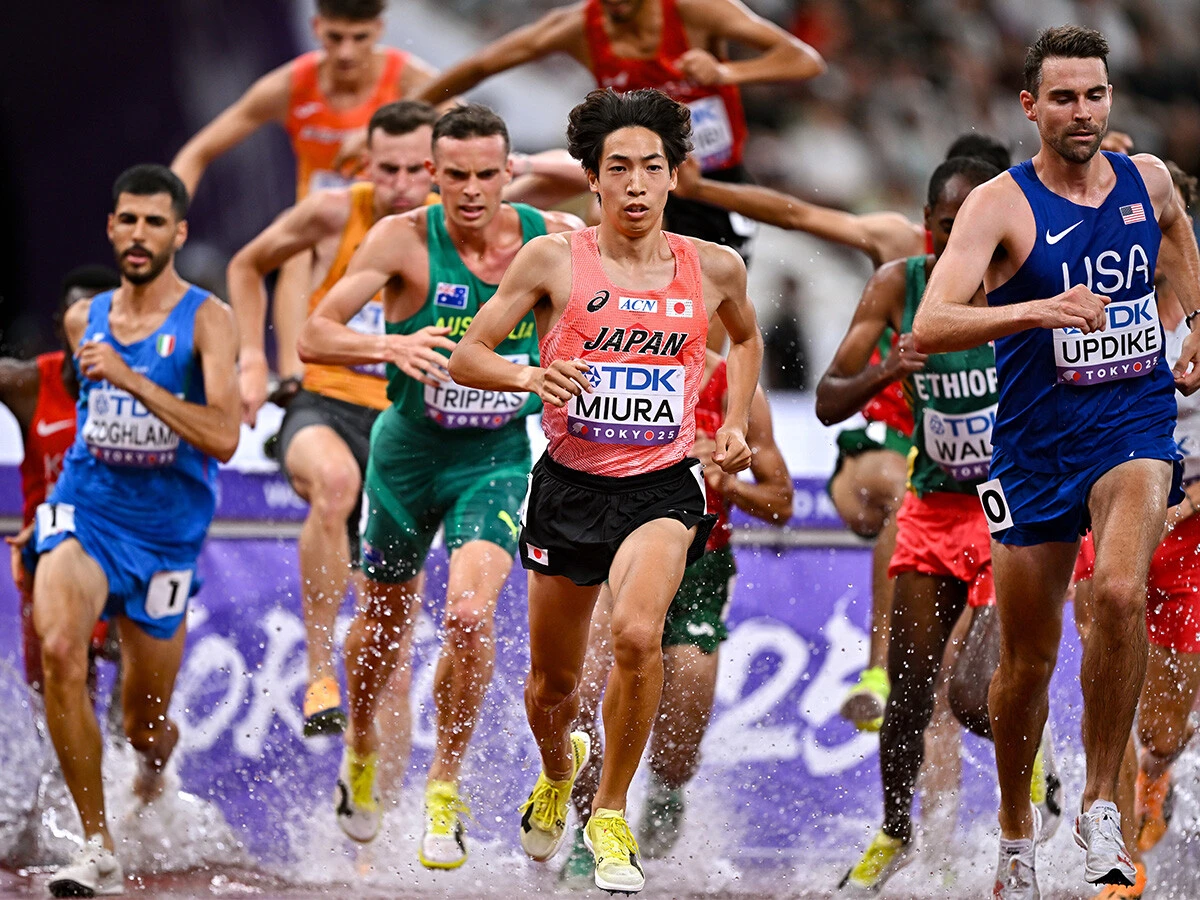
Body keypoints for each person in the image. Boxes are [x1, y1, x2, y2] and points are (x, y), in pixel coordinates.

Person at [448, 87, 762, 895]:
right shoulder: (555, 259)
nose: (634, 185)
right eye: (617, 168)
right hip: (568, 489)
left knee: (635, 636)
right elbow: (467, 356)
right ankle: (559, 771)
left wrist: (733, 423)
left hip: (661, 490)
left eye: (650, 168)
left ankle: (611, 814)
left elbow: (749, 335)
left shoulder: (712, 267)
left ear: (671, 178)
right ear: (592, 180)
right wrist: (529, 371)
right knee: (552, 688)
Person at [911, 25, 1200, 898]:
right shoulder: (999, 204)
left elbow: (1179, 232)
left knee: (1117, 590)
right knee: (1025, 665)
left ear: (1112, 98)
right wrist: (1033, 312)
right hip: (1034, 446)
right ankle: (1013, 837)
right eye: (1065, 97)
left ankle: (1102, 806)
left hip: (1133, 426)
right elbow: (931, 322)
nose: (1084, 112)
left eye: (1097, 95)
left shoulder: (1146, 181)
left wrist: (1190, 321)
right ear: (1031, 105)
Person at [297, 103, 582, 868]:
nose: (470, 190)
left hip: (493, 457)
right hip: (406, 457)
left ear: (508, 171)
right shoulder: (402, 238)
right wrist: (387, 340)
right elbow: (312, 333)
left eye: (487, 174)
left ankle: (442, 792)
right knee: (383, 627)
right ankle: (360, 749)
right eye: (454, 174)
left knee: (465, 615)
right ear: (432, 174)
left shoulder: (549, 239)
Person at [820, 156, 1061, 892]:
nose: (966, 245)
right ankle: (894, 834)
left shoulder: (1033, 284)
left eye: (977, 230)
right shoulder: (902, 284)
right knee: (908, 698)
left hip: (1011, 513)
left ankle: (1036, 769)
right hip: (932, 507)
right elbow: (830, 399)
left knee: (972, 694)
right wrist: (887, 371)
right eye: (949, 230)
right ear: (929, 229)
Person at [28, 165, 239, 897]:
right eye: (128, 221)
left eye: (155, 222)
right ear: (111, 228)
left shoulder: (208, 319)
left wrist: (133, 379)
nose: (139, 235)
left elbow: (223, 437)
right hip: (86, 511)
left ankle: (153, 775)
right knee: (60, 649)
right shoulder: (84, 319)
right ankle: (97, 846)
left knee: (145, 723)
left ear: (179, 233)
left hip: (166, 537)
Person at [415, 0, 824, 350]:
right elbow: (481, 64)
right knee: (600, 263)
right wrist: (403, 116)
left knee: (703, 342)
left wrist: (725, 73)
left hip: (712, 188)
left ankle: (698, 424)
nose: (614, 5)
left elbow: (804, 60)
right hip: (630, 184)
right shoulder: (580, 26)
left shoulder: (695, 10)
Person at [227, 100, 437, 738]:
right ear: (364, 165)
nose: (401, 184)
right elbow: (244, 265)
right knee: (336, 485)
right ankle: (320, 666)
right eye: (388, 169)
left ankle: (373, 816)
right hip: (323, 402)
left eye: (415, 170)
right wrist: (253, 362)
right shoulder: (333, 212)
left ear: (437, 168)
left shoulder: (460, 223)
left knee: (393, 664)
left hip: (405, 423)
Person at [557, 347, 791, 884]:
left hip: (698, 565)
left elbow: (782, 503)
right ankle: (589, 826)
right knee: (585, 693)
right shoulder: (606, 359)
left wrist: (727, 481)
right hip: (613, 552)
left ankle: (666, 787)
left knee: (682, 723)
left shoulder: (739, 389)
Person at [171, 0, 438, 409]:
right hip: (323, 224)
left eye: (359, 38)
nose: (346, 52)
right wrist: (168, 216)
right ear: (315, 28)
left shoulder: (411, 79)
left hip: (392, 214)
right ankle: (296, 380)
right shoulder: (291, 85)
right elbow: (198, 151)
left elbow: (466, 141)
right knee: (300, 243)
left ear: (379, 31)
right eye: (335, 37)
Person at [1070, 160, 1200, 900]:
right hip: (1112, 513)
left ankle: (1154, 776)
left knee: (1164, 730)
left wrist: (1185, 506)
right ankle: (1115, 842)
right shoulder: (1088, 296)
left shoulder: (1195, 317)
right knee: (1108, 674)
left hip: (1188, 527)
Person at [2, 267, 121, 694]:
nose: (90, 331)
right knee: (58, 689)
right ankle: (64, 761)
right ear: (60, 325)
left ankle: (124, 751)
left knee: (132, 655)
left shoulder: (136, 385)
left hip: (110, 547)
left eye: (102, 319)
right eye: (79, 317)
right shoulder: (28, 384)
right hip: (44, 557)